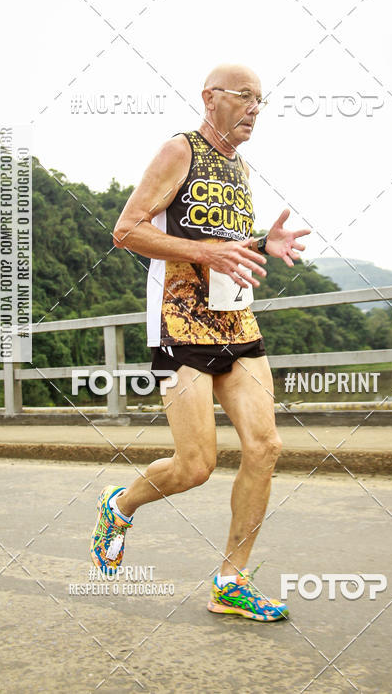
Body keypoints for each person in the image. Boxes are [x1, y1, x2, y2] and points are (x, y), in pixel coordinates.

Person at [90, 63, 310, 621]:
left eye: (262, 99)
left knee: (266, 447)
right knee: (195, 465)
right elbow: (126, 230)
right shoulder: (178, 150)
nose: (256, 108)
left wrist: (262, 242)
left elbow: (223, 244)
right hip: (177, 324)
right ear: (210, 98)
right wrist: (208, 254)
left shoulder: (239, 167)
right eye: (245, 96)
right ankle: (120, 505)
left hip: (236, 323)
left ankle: (230, 582)